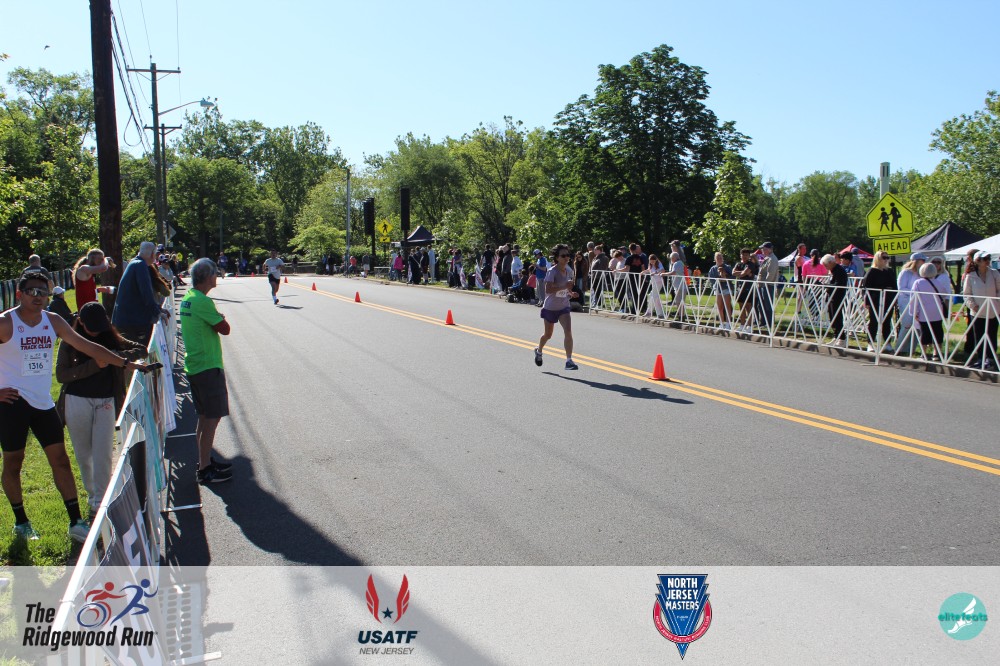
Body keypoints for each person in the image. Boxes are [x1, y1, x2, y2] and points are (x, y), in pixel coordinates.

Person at [1, 273, 146, 542]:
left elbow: (89, 347)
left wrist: (125, 363)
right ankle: (21, 522)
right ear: (19, 294)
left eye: (43, 292)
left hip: (43, 403)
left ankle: (76, 522)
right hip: (12, 404)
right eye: (32, 291)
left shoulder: (53, 321)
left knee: (61, 460)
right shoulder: (5, 323)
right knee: (14, 462)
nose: (38, 297)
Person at [56, 302, 146, 517]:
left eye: (100, 326)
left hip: (106, 399)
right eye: (91, 327)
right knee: (84, 454)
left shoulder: (111, 336)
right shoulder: (69, 341)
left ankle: (103, 501)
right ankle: (93, 497)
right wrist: (95, 365)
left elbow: (139, 348)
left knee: (103, 452)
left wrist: (113, 357)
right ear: (81, 322)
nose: (96, 331)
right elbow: (62, 375)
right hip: (77, 401)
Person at [179, 259, 234, 484]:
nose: (217, 277)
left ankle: (204, 460)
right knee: (212, 418)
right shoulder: (203, 301)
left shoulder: (189, 298)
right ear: (208, 277)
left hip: (195, 365)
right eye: (215, 273)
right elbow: (225, 329)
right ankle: (204, 469)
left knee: (203, 418)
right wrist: (220, 318)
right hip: (207, 366)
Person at [111, 241, 166, 347]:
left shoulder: (134, 263)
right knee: (140, 351)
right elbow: (146, 294)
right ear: (152, 254)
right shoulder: (141, 265)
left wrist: (158, 308)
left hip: (125, 319)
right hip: (133, 322)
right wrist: (158, 313)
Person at [534, 245, 579, 370]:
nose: (566, 258)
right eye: (563, 256)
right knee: (548, 335)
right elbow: (548, 289)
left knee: (568, 331)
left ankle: (569, 361)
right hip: (550, 307)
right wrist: (565, 286)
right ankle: (539, 350)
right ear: (557, 258)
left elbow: (565, 288)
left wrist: (571, 293)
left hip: (564, 306)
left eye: (567, 255)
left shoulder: (568, 270)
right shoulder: (552, 271)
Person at [962, 250, 1000, 370]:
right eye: (985, 259)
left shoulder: (994, 273)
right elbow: (967, 294)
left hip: (993, 311)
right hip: (977, 312)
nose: (988, 261)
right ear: (977, 261)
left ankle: (991, 359)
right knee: (979, 336)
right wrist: (973, 305)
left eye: (989, 258)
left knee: (992, 335)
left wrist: (997, 304)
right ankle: (981, 359)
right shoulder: (970, 276)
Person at [910, 262, 946, 360]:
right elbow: (944, 294)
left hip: (924, 312)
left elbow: (914, 298)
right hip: (937, 312)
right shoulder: (937, 282)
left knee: (924, 333)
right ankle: (936, 354)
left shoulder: (918, 283)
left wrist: (914, 312)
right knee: (938, 332)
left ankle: (924, 354)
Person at [861, 251, 896, 353]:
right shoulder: (872, 271)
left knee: (887, 322)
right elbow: (865, 287)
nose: (886, 259)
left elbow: (894, 286)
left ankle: (887, 343)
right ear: (878, 259)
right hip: (875, 299)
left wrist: (895, 298)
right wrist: (866, 301)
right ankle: (870, 343)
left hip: (888, 299)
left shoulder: (889, 271)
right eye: (884, 257)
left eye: (887, 257)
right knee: (874, 322)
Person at [896, 253, 926, 355]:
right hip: (906, 301)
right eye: (923, 260)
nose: (924, 263)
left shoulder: (920, 273)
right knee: (907, 325)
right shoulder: (905, 272)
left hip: (918, 302)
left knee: (917, 327)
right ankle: (900, 348)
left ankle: (911, 348)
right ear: (916, 261)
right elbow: (901, 288)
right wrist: (914, 293)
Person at [821, 254, 849, 347]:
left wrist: (827, 285)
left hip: (837, 296)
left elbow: (838, 284)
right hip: (832, 297)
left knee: (837, 317)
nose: (825, 267)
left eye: (826, 265)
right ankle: (836, 336)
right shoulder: (833, 270)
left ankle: (842, 338)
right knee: (832, 317)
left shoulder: (839, 270)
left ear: (831, 262)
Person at [732, 248, 758, 332]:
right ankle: (742, 324)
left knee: (748, 307)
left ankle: (749, 326)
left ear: (749, 256)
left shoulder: (751, 264)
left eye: (746, 255)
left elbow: (744, 273)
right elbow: (733, 273)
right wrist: (742, 273)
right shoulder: (738, 264)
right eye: (743, 255)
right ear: (740, 255)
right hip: (740, 288)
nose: (744, 256)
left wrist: (741, 273)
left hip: (748, 287)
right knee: (741, 307)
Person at [707, 252, 734, 329]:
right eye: (717, 258)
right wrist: (718, 280)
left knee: (727, 306)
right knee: (720, 307)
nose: (719, 259)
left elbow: (732, 277)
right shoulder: (713, 269)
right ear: (715, 259)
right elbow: (711, 279)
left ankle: (728, 323)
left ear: (722, 258)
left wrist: (725, 277)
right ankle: (722, 323)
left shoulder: (727, 267)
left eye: (720, 257)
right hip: (718, 289)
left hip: (726, 288)